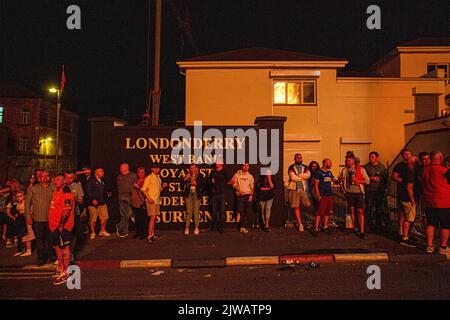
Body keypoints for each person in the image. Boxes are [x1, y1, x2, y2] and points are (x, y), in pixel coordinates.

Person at [421, 151, 450, 255]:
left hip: (429, 201)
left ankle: (430, 246)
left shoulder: (425, 170)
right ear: (440, 158)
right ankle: (443, 246)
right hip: (444, 201)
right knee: (445, 225)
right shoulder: (443, 170)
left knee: (431, 224)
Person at [49, 174, 75, 285]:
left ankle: (66, 272)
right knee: (57, 247)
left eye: (58, 179)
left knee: (64, 248)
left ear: (64, 181)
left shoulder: (66, 191)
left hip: (63, 226)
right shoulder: (56, 191)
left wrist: (61, 225)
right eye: (54, 179)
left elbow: (67, 211)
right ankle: (60, 268)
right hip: (54, 225)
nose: (55, 181)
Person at [25, 171, 55, 266]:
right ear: (39, 178)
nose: (45, 177)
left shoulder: (53, 187)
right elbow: (27, 203)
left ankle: (51, 256)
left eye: (47, 176)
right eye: (43, 176)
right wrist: (28, 217)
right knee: (39, 241)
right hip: (37, 219)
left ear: (49, 177)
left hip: (51, 219)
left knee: (51, 240)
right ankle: (41, 258)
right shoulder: (34, 188)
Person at [391, 149, 417, 246]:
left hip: (412, 194)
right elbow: (393, 177)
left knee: (409, 214)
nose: (408, 155)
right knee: (404, 212)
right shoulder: (399, 166)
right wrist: (404, 180)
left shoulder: (414, 167)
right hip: (403, 193)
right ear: (402, 155)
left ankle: (407, 233)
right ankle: (403, 232)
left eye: (409, 153)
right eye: (405, 154)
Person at [340, 154, 370, 239]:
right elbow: (341, 181)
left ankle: (362, 230)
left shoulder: (361, 169)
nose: (347, 162)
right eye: (346, 160)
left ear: (353, 160)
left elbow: (367, 181)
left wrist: (357, 180)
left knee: (360, 211)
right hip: (349, 193)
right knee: (352, 210)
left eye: (348, 160)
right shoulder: (345, 170)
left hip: (358, 192)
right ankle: (355, 228)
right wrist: (344, 190)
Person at [312, 159, 340, 236]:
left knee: (327, 212)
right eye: (330, 163)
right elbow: (316, 184)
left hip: (329, 195)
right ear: (325, 163)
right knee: (319, 212)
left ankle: (325, 226)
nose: (331, 164)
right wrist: (318, 195)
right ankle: (316, 228)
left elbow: (335, 181)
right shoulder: (319, 172)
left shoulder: (329, 172)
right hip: (322, 195)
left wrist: (340, 180)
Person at [363, 152, 389, 233]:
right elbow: (362, 177)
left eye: (372, 157)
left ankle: (379, 225)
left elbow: (386, 178)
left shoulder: (382, 167)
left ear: (377, 158)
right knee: (368, 208)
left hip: (379, 191)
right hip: (369, 191)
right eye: (370, 157)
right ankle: (367, 225)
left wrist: (387, 189)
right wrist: (371, 178)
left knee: (379, 209)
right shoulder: (366, 167)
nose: (370, 158)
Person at [141, 164, 167, 243]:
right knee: (152, 218)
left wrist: (163, 186)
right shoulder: (149, 177)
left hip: (156, 200)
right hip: (151, 200)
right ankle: (149, 236)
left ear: (159, 169)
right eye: (154, 168)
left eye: (157, 168)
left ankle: (152, 234)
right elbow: (143, 189)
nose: (156, 170)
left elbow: (159, 190)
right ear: (152, 169)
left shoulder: (158, 178)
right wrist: (149, 199)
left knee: (154, 218)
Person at [287, 154, 311, 232]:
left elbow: (308, 176)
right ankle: (300, 224)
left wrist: (299, 175)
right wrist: (302, 177)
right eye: (297, 158)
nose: (299, 159)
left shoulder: (306, 167)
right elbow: (293, 178)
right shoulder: (291, 167)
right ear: (294, 159)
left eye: (300, 157)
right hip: (294, 189)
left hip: (303, 189)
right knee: (296, 207)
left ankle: (306, 220)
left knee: (307, 204)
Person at [86, 167, 111, 240]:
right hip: (93, 204)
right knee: (93, 219)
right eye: (101, 171)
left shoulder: (102, 182)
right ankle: (93, 232)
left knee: (105, 218)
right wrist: (93, 199)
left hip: (102, 203)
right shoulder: (91, 181)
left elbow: (103, 191)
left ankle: (102, 231)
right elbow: (88, 191)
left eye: (103, 171)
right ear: (96, 173)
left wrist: (107, 193)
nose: (103, 173)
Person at [65, 172, 84, 262]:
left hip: (75, 213)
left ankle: (71, 253)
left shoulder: (77, 186)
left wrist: (75, 198)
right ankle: (68, 256)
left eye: (70, 178)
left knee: (75, 234)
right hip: (64, 215)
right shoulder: (62, 187)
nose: (68, 180)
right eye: (67, 178)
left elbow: (81, 200)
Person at [210, 160, 233, 233]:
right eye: (216, 163)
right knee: (214, 211)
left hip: (222, 194)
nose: (217, 164)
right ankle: (214, 227)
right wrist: (211, 182)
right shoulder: (213, 172)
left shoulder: (225, 172)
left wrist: (224, 186)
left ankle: (221, 227)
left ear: (221, 164)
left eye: (218, 163)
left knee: (222, 212)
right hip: (214, 195)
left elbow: (232, 181)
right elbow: (209, 181)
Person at [116, 163, 137, 238]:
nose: (120, 169)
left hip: (130, 196)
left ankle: (119, 226)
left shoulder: (133, 175)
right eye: (120, 168)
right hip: (121, 196)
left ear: (127, 168)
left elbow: (135, 184)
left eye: (122, 168)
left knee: (128, 213)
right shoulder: (119, 176)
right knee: (124, 214)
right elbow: (119, 186)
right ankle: (124, 231)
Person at [232, 163, 255, 234]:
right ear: (242, 166)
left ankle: (242, 227)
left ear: (248, 167)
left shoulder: (250, 176)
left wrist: (251, 195)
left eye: (247, 166)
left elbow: (252, 187)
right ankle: (238, 214)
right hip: (240, 195)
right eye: (244, 165)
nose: (245, 167)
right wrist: (239, 190)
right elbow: (233, 183)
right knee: (240, 209)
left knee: (246, 212)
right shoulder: (237, 175)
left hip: (247, 195)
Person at [183, 164, 204, 236]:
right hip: (188, 193)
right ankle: (187, 228)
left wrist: (196, 184)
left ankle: (196, 228)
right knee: (188, 211)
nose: (192, 169)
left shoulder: (200, 176)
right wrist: (185, 179)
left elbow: (203, 185)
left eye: (193, 168)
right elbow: (182, 184)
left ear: (196, 168)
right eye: (191, 168)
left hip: (196, 193)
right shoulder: (187, 175)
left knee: (196, 211)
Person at [131, 167, 148, 239]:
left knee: (144, 219)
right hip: (135, 203)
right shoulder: (135, 180)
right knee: (137, 219)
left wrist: (138, 187)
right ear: (137, 173)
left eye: (143, 172)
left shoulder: (147, 180)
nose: (141, 174)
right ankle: (138, 233)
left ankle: (144, 234)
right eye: (140, 172)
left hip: (143, 203)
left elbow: (147, 191)